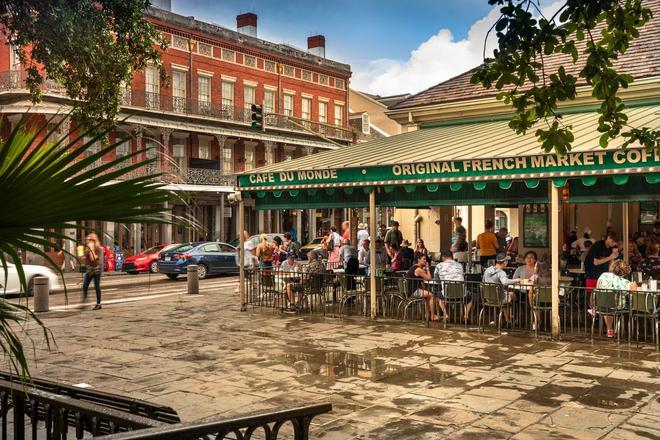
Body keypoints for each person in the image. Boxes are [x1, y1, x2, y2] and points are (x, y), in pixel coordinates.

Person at [596, 260, 638, 338]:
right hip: (616, 306)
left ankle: (610, 330)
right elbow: (633, 291)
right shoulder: (623, 281)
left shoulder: (603, 275)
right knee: (625, 306)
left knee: (608, 306)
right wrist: (634, 284)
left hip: (601, 305)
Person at [482, 253, 522, 325]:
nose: (507, 263)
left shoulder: (487, 270)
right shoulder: (501, 272)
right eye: (507, 261)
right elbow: (505, 282)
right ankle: (512, 318)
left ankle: (508, 320)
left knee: (507, 295)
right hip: (499, 299)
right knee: (512, 295)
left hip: (487, 298)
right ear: (505, 262)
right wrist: (517, 280)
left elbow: (483, 281)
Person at [584, 230, 620, 310]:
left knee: (602, 292)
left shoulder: (614, 247)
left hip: (603, 270)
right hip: (592, 270)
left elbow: (612, 261)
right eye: (612, 241)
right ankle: (593, 313)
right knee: (593, 292)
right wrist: (610, 257)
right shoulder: (599, 245)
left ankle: (601, 310)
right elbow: (596, 262)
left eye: (615, 242)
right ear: (608, 238)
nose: (613, 244)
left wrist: (611, 273)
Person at [406, 254, 444, 322]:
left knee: (428, 295)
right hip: (413, 291)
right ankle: (432, 316)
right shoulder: (418, 269)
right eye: (424, 259)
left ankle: (427, 314)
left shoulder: (415, 267)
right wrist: (427, 269)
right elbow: (429, 278)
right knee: (431, 295)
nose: (425, 261)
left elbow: (420, 281)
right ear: (418, 260)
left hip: (411, 290)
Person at [434, 251, 471, 321]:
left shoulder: (439, 266)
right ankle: (466, 316)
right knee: (470, 297)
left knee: (439, 297)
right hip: (461, 294)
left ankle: (446, 314)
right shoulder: (460, 265)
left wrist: (441, 281)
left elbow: (436, 279)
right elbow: (462, 276)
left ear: (443, 257)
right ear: (452, 257)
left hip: (446, 293)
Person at [513, 251, 541, 330]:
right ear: (524, 259)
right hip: (521, 292)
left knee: (535, 302)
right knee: (511, 296)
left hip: (534, 293)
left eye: (532, 257)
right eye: (527, 257)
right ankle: (514, 319)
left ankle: (536, 321)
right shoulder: (520, 268)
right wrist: (519, 280)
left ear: (535, 260)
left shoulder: (537, 269)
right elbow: (513, 279)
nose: (529, 259)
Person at [82, 233, 104, 310]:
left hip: (96, 269)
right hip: (89, 269)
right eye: (87, 239)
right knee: (85, 286)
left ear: (93, 240)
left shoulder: (98, 248)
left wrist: (92, 249)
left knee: (96, 286)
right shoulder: (87, 248)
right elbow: (86, 258)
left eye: (89, 239)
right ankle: (85, 303)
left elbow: (93, 258)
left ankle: (98, 304)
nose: (87, 241)